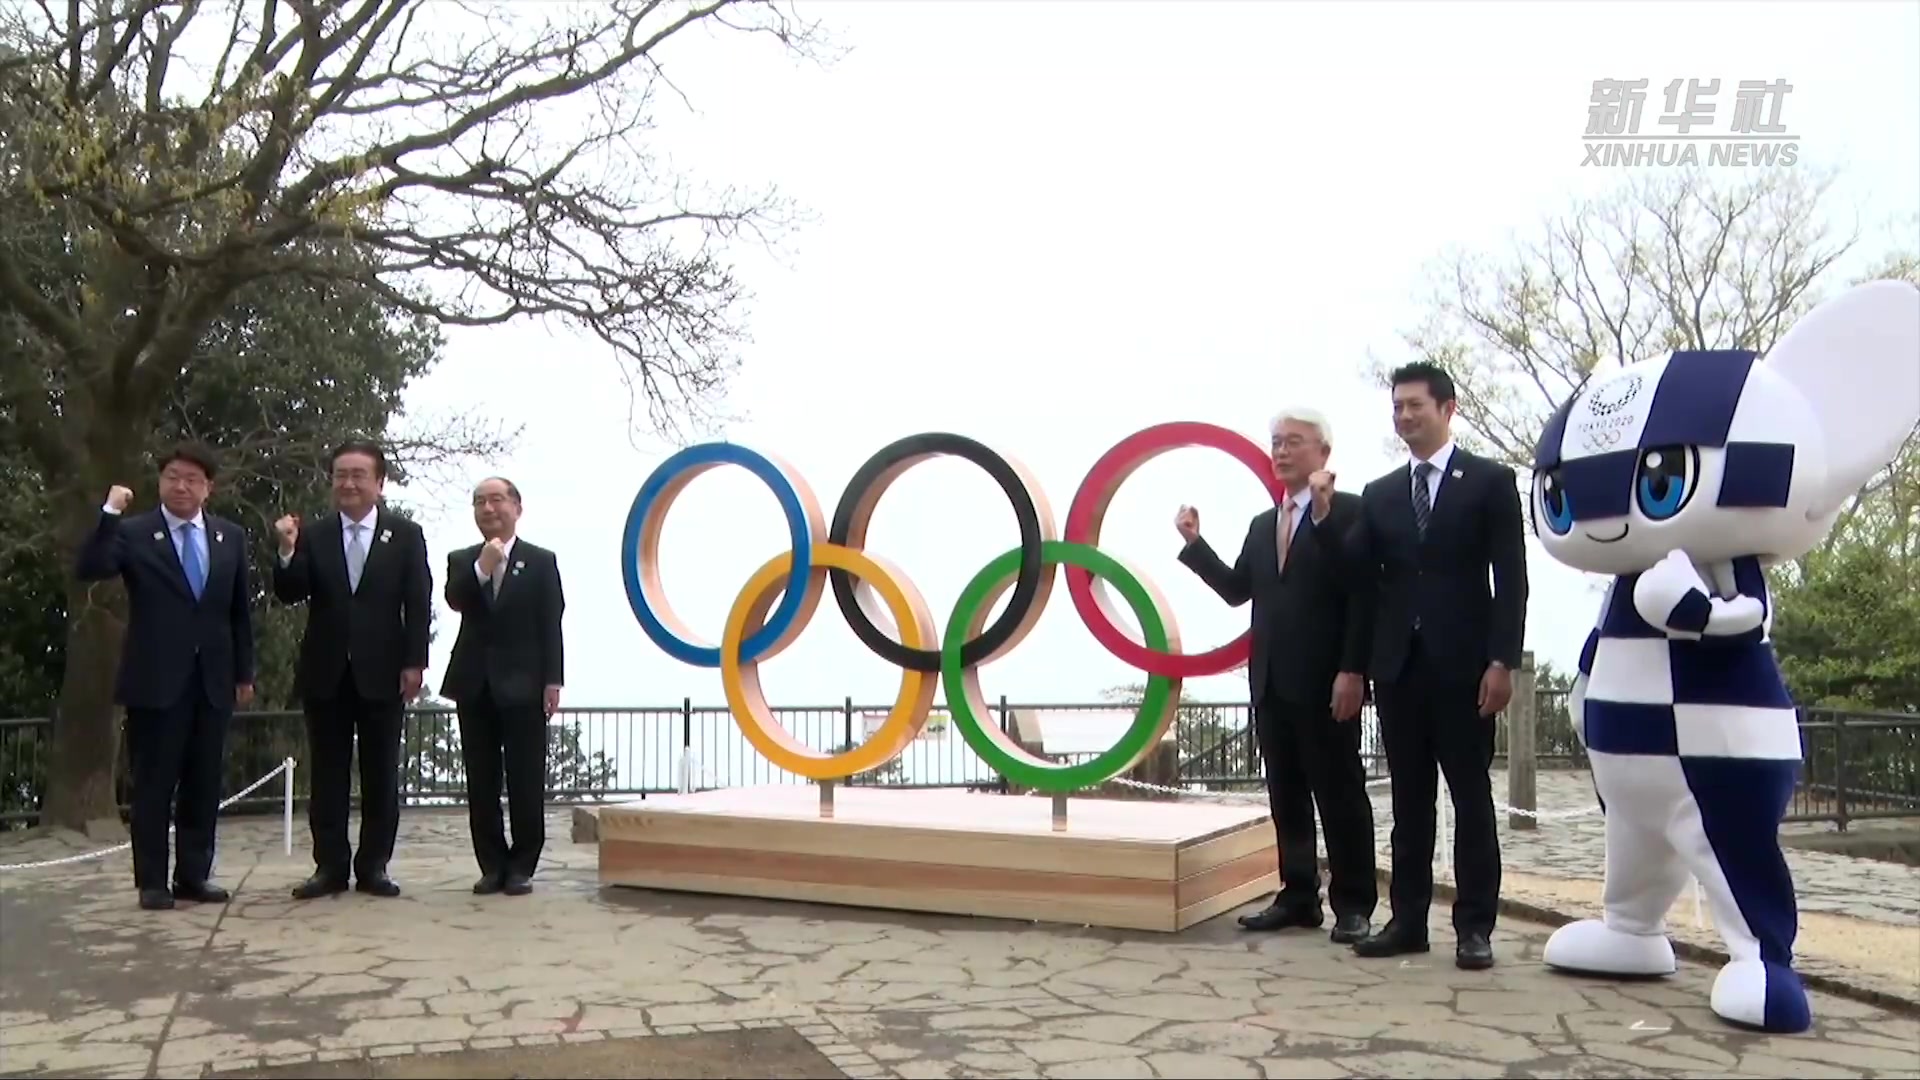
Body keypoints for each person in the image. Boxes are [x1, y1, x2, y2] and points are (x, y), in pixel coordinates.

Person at [1323, 362, 1528, 971]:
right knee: (1409, 803)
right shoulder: (1383, 492)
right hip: (1400, 669)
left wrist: (1502, 660)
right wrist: (1327, 515)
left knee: (1471, 799)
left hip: (1465, 666)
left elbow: (1511, 579)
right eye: (1397, 407)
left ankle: (1474, 927)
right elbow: (1356, 576)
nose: (1404, 416)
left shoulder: (1489, 481)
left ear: (1447, 408)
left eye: (1415, 405)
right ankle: (1408, 920)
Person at [1174, 408, 1377, 944]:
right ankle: (1298, 895)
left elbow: (1360, 594)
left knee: (1339, 794)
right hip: (1269, 680)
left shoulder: (1352, 512)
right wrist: (1196, 545)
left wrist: (1352, 670)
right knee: (1285, 795)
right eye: (1276, 442)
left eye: (1294, 442)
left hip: (1327, 681)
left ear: (1323, 453)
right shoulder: (1265, 523)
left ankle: (1354, 904)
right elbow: (1239, 589)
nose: (1281, 451)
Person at [74, 443, 255, 911]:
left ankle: (194, 875)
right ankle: (152, 881)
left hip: (212, 679)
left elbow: (239, 613)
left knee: (203, 782)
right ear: (160, 482)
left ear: (207, 488)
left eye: (192, 479)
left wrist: (243, 673)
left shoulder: (229, 537)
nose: (181, 486)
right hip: (156, 679)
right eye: (173, 476)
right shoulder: (136, 533)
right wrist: (110, 512)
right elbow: (91, 567)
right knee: (154, 785)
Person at [272, 439, 432, 900]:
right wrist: (286, 551)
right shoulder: (314, 533)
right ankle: (330, 867)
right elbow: (291, 590)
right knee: (327, 775)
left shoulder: (405, 534)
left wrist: (414, 662)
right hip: (326, 671)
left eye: (359, 475)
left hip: (384, 671)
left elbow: (417, 601)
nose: (349, 483)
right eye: (341, 474)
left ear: (379, 483)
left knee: (381, 773)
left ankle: (374, 866)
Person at [441, 477, 567, 896]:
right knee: (482, 780)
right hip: (474, 682)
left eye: (496, 500)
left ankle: (522, 865)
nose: (488, 509)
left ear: (517, 507)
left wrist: (553, 680)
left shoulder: (541, 560)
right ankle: (491, 864)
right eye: (479, 502)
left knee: (525, 778)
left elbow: (551, 622)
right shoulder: (463, 560)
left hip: (525, 684)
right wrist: (484, 566)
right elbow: (456, 599)